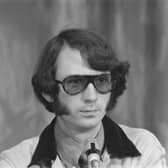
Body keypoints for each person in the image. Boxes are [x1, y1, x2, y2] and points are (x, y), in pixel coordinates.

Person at [0, 28, 167, 168]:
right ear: (48, 92)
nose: (91, 97)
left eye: (101, 81)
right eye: (75, 82)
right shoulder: (16, 162)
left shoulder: (144, 149)